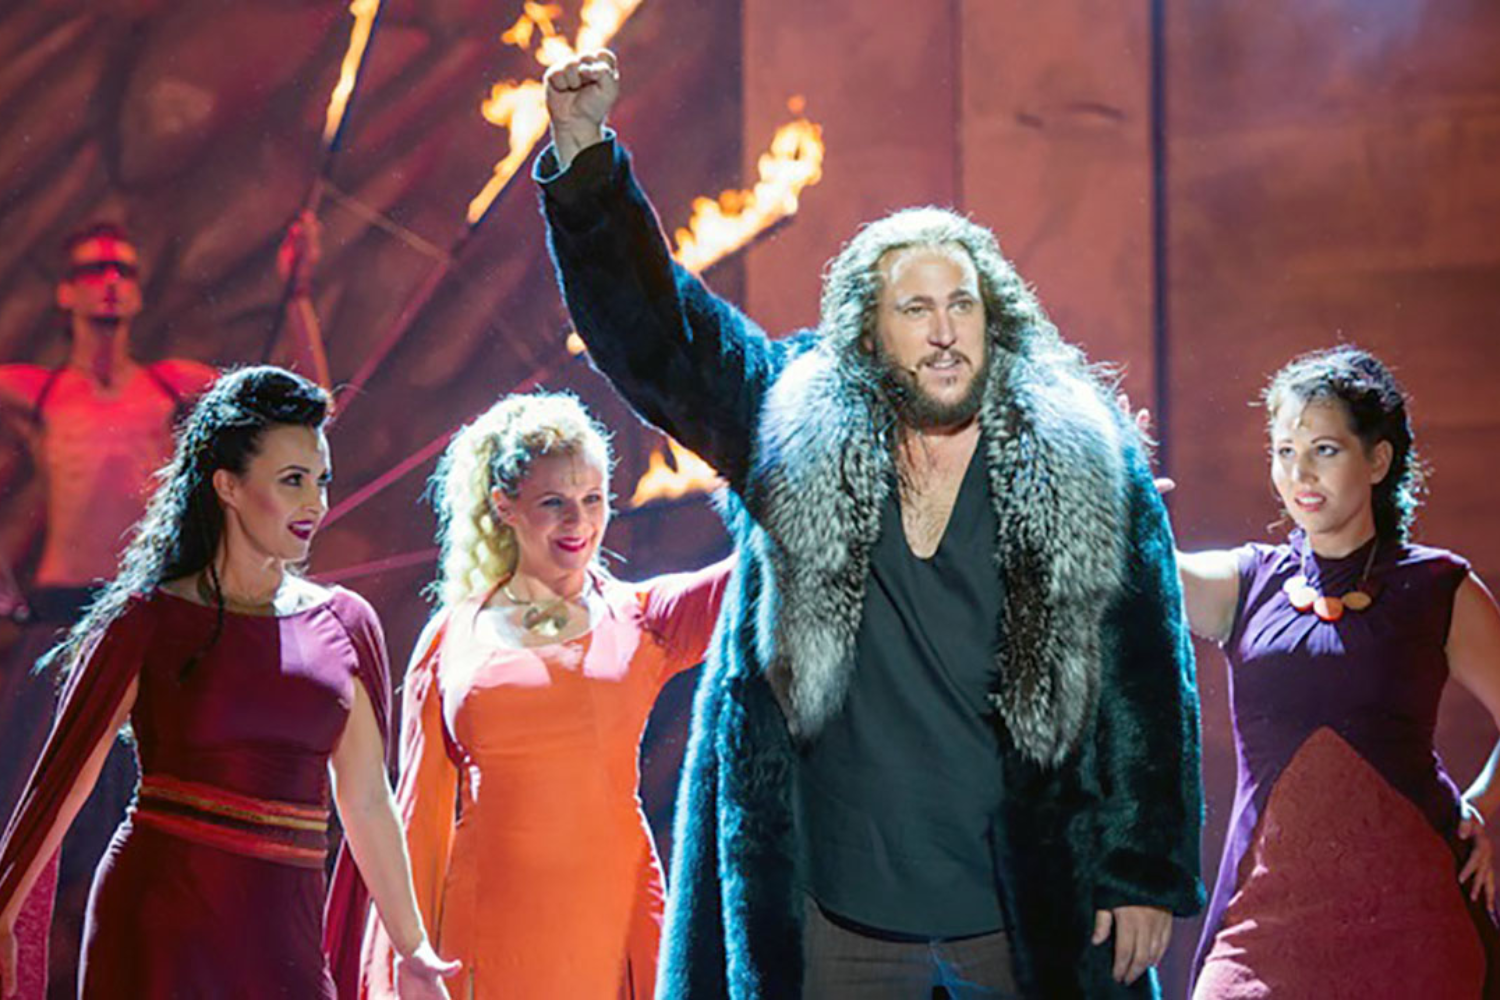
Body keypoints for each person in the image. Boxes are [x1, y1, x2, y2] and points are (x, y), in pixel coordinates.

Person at [535, 50, 1203, 999]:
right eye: (915, 308)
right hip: (836, 924)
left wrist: (1143, 867)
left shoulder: (1079, 455)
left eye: (962, 305)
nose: (945, 330)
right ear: (866, 332)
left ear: (995, 319)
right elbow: (658, 336)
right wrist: (585, 160)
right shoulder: (790, 419)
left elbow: (1147, 671)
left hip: (1021, 918)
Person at [0, 366, 460, 999]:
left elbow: (367, 801)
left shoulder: (346, 623)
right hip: (159, 923)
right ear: (228, 486)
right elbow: (62, 785)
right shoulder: (148, 621)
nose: (315, 504)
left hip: (285, 934)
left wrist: (412, 948)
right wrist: (6, 912)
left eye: (321, 480)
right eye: (293, 480)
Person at [0, 215, 331, 997]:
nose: (111, 282)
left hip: (147, 625)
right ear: (66, 293)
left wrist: (300, 294)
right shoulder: (38, 392)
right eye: (94, 269)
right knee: (40, 822)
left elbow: (300, 412)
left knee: (142, 820)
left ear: (140, 292)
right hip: (59, 625)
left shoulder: (168, 388)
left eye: (124, 269)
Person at [360, 391, 731, 998]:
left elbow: (762, 575)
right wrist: (407, 954)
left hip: (614, 922)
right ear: (504, 506)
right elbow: (419, 817)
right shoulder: (452, 637)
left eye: (592, 500)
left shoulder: (643, 617)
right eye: (553, 502)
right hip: (486, 932)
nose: (578, 523)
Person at [1169, 347, 1500, 998]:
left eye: (1324, 449)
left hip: (1418, 925)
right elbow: (1152, 574)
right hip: (1265, 931)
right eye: (1284, 451)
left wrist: (1485, 803)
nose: (1300, 473)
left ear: (1377, 460)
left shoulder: (1438, 587)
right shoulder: (1249, 580)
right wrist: (1122, 491)